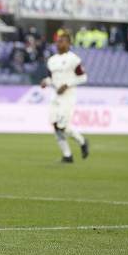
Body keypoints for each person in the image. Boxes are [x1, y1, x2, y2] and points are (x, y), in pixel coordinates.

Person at [40, 32, 89, 163]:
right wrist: (45, 82)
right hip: (55, 96)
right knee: (55, 125)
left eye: (61, 41)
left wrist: (67, 85)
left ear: (68, 43)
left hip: (68, 96)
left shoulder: (74, 59)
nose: (58, 43)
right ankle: (67, 155)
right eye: (57, 41)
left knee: (62, 126)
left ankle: (82, 141)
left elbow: (83, 77)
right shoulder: (52, 60)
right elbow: (51, 78)